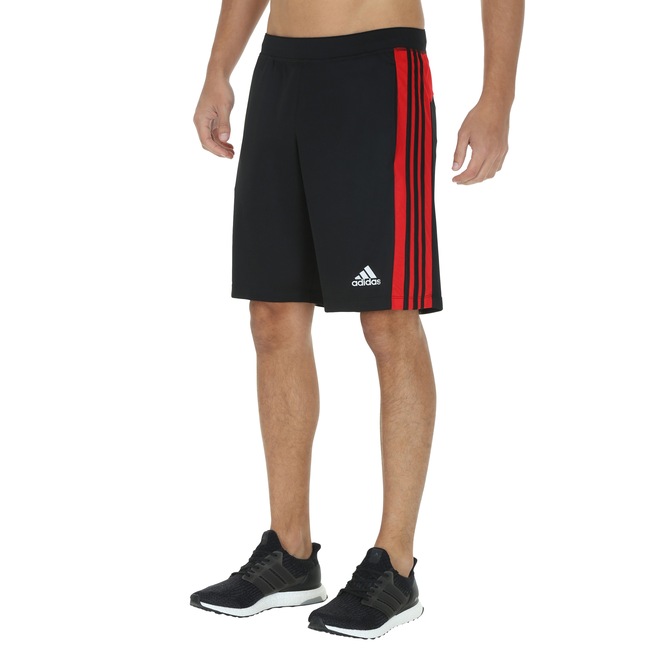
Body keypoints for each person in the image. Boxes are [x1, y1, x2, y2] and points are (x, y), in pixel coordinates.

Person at [190, 0, 524, 639]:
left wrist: (497, 98)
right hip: (281, 68)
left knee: (388, 317)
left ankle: (394, 567)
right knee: (273, 314)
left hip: (377, 68)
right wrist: (218, 68)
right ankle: (289, 555)